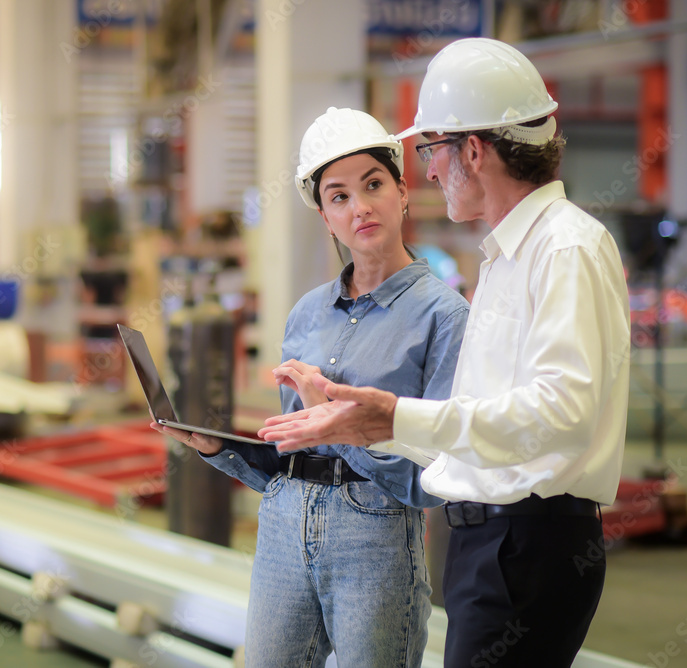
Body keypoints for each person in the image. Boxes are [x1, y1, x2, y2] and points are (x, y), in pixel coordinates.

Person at [259, 38, 631, 668]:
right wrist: (361, 425)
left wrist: (394, 418)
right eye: (337, 196)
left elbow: (562, 411)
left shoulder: (564, 249)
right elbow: (469, 424)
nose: (428, 170)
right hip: (491, 542)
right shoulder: (507, 258)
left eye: (431, 151)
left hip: (526, 541)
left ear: (474, 151)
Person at [152, 107, 469, 666]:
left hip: (374, 534)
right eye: (339, 196)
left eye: (373, 185)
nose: (360, 207)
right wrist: (224, 449)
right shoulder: (305, 314)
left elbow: (436, 478)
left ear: (401, 192)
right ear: (325, 216)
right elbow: (294, 450)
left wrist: (343, 426)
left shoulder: (443, 315)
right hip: (281, 523)